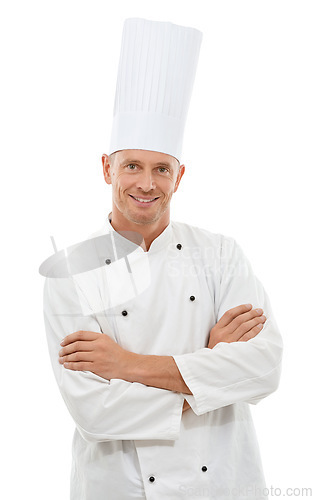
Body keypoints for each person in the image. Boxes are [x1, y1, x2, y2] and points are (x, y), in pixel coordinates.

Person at [41, 18, 283, 500]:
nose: (146, 184)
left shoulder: (221, 253)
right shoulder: (70, 272)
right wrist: (210, 367)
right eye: (132, 165)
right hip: (120, 488)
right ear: (107, 167)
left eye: (161, 169)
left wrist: (126, 364)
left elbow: (263, 369)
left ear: (180, 174)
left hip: (226, 486)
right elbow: (96, 412)